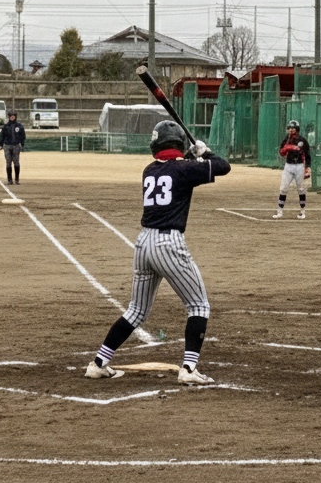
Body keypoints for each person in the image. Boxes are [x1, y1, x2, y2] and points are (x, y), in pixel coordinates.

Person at [85, 121, 231, 385]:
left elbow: (175, 168)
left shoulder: (149, 170)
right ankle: (188, 369)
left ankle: (98, 363)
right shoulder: (184, 169)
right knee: (199, 306)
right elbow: (223, 167)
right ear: (176, 144)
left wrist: (190, 155)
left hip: (143, 244)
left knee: (136, 310)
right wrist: (205, 153)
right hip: (168, 244)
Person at [273, 119, 311, 219]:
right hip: (288, 166)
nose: (291, 130)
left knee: (301, 189)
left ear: (297, 129)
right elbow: (281, 153)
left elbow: (307, 155)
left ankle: (302, 212)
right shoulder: (286, 140)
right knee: (283, 188)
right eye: (289, 128)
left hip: (299, 166)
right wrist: (286, 148)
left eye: (293, 128)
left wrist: (308, 167)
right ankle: (279, 211)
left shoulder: (302, 140)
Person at [0, 110, 26, 185]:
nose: (12, 117)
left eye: (13, 116)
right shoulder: (6, 127)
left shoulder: (19, 126)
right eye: (11, 116)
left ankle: (17, 179)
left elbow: (23, 136)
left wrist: (22, 145)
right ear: (9, 117)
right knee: (8, 163)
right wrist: (0, 145)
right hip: (7, 146)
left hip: (16, 146)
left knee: (16, 163)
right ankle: (9, 180)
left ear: (15, 117)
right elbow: (1, 137)